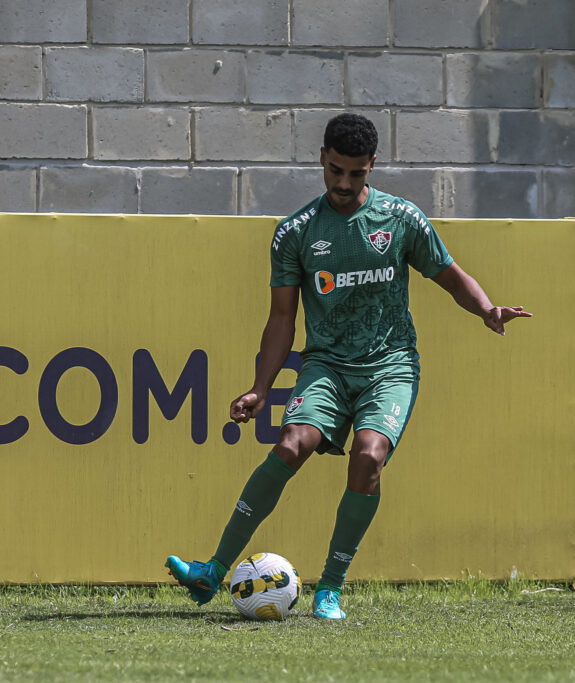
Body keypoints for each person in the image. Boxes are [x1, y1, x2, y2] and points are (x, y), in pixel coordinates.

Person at [166, 113, 531, 620]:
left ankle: (330, 588)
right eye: (335, 170)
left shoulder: (400, 219)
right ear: (321, 158)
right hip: (327, 367)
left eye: (355, 174)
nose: (342, 183)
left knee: (368, 455)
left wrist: (488, 310)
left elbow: (451, 276)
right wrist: (261, 388)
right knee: (292, 443)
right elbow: (280, 319)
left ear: (371, 167)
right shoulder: (295, 232)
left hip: (390, 365)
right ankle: (212, 569)